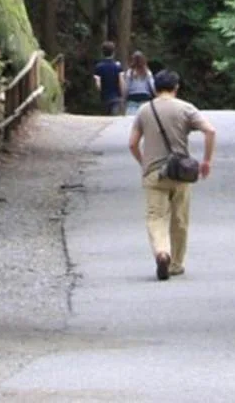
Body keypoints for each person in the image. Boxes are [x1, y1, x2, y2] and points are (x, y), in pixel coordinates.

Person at [129, 69, 215, 280]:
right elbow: (210, 131)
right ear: (176, 87)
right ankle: (176, 263)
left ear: (154, 88)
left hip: (154, 174)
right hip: (180, 173)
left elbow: (132, 143)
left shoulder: (144, 110)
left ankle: (161, 252)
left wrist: (144, 163)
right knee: (180, 220)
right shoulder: (185, 108)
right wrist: (206, 160)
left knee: (155, 217)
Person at [92, 42, 125, 116]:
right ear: (113, 53)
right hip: (116, 97)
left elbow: (98, 84)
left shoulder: (98, 67)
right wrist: (122, 94)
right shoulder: (118, 66)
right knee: (114, 118)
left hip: (104, 97)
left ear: (102, 52)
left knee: (105, 117)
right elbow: (121, 82)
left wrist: (101, 90)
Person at [121, 51, 154, 116]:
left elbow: (126, 87)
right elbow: (152, 86)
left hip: (132, 99)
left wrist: (124, 98)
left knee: (131, 119)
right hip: (145, 98)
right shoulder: (147, 72)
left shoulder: (130, 72)